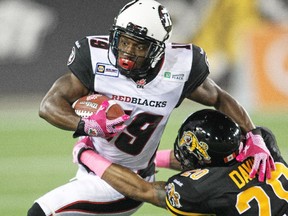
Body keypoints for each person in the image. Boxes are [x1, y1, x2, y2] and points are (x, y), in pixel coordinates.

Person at [28, 0, 275, 215]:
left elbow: (220, 98)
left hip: (125, 183)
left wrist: (254, 136)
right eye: (124, 41)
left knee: (40, 211)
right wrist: (86, 125)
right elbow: (49, 105)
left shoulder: (180, 68)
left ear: (158, 47)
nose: (127, 51)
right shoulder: (95, 57)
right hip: (94, 168)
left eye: (139, 46)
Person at [75, 109, 288, 215]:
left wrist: (86, 154)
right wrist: (152, 158)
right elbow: (214, 166)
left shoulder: (197, 188)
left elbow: (143, 190)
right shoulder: (263, 145)